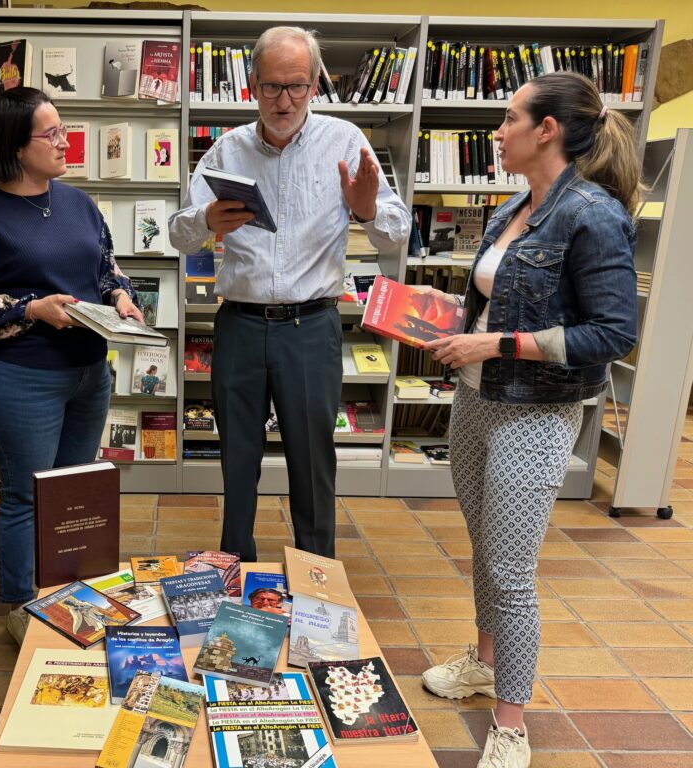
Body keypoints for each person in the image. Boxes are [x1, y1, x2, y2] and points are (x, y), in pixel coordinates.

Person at [418, 72, 640, 768]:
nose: (498, 131)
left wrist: (498, 344)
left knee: (511, 570)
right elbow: (495, 303)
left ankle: (511, 723)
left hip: (536, 415)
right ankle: (484, 663)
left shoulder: (593, 215)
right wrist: (444, 318)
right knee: (484, 546)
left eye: (510, 118)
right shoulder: (515, 205)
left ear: (547, 130)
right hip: (476, 400)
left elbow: (613, 333)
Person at [168, 26, 409, 561]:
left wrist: (367, 209)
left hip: (311, 327)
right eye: (272, 86)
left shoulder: (344, 142)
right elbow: (178, 233)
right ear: (252, 85)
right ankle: (237, 568)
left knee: (312, 461)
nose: (284, 100)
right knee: (237, 459)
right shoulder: (226, 150)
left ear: (315, 85)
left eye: (297, 86)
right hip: (239, 325)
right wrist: (206, 219)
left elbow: (396, 233)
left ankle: (315, 572)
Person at [0, 86, 141, 645]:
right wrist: (31, 309)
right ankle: (21, 605)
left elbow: (106, 268)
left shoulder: (78, 203)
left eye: (62, 129)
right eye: (50, 133)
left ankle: (66, 595)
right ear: (15, 146)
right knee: (26, 493)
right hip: (18, 376)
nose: (64, 141)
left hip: (88, 371)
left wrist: (121, 296)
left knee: (71, 493)